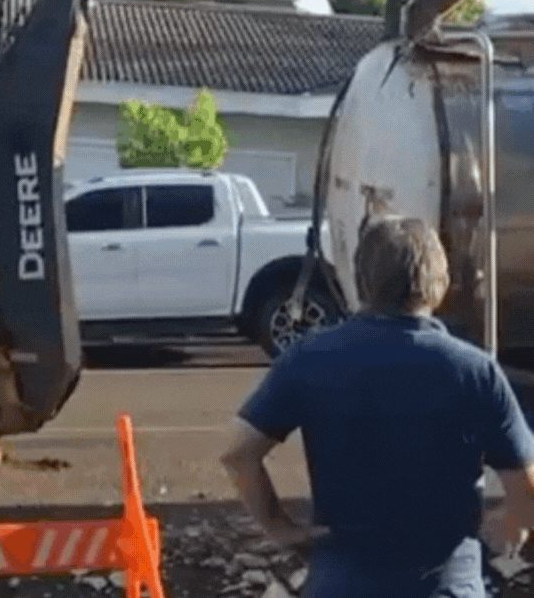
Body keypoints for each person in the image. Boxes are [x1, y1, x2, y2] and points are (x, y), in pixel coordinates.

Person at [221, 216, 534, 597]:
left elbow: (238, 454)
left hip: (343, 582)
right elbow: (526, 485)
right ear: (440, 283)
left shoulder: (309, 358)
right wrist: (511, 522)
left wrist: (281, 529)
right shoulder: (474, 371)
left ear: (361, 281)